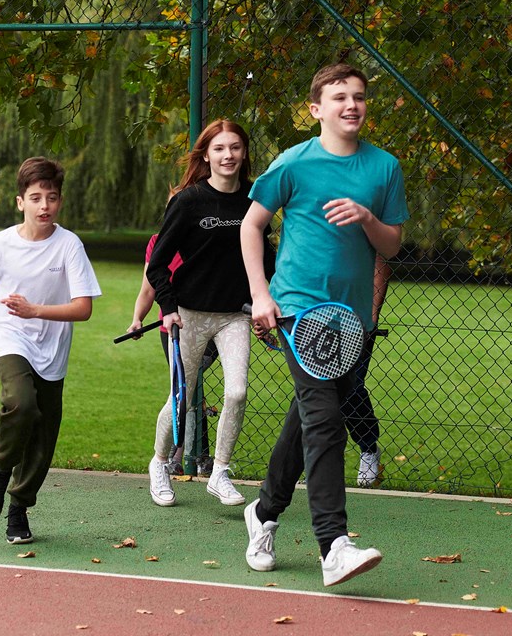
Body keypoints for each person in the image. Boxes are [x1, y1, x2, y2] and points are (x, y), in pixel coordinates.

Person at [241, 62, 408, 587]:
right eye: (339, 98)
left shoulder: (384, 169)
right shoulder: (294, 163)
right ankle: (333, 544)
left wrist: (367, 219)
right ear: (317, 109)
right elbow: (251, 226)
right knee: (324, 420)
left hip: (350, 316)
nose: (351, 105)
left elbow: (392, 245)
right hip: (297, 310)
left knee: (309, 415)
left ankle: (264, 512)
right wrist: (261, 295)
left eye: (359, 97)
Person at [0, 157, 101, 544]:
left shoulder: (69, 246)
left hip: (53, 347)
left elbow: (84, 308)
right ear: (20, 202)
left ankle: (19, 509)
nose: (44, 206)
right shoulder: (0, 244)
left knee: (42, 441)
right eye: (36, 197)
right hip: (8, 334)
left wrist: (36, 310)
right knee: (20, 402)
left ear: (60, 202)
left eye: (52, 198)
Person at [145, 119, 271, 508]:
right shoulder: (188, 201)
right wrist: (167, 310)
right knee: (180, 399)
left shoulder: (255, 199)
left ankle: (219, 473)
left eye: (235, 147)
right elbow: (157, 265)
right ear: (206, 155)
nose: (228, 155)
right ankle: (160, 464)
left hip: (235, 315)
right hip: (188, 315)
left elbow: (266, 259)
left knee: (237, 392)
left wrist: (267, 302)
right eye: (219, 148)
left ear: (244, 152)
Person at [127, 233, 217, 477]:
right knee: (184, 387)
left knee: (188, 383)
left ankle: (183, 456)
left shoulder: (206, 236)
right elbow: (148, 289)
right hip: (172, 329)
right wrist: (137, 319)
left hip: (207, 325)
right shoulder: (158, 242)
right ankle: (197, 456)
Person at [345, 255, 391, 487]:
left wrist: (372, 317)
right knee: (315, 391)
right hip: (317, 315)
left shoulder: (364, 220)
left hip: (357, 320)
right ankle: (315, 462)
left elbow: (380, 262)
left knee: (351, 388)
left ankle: (369, 447)